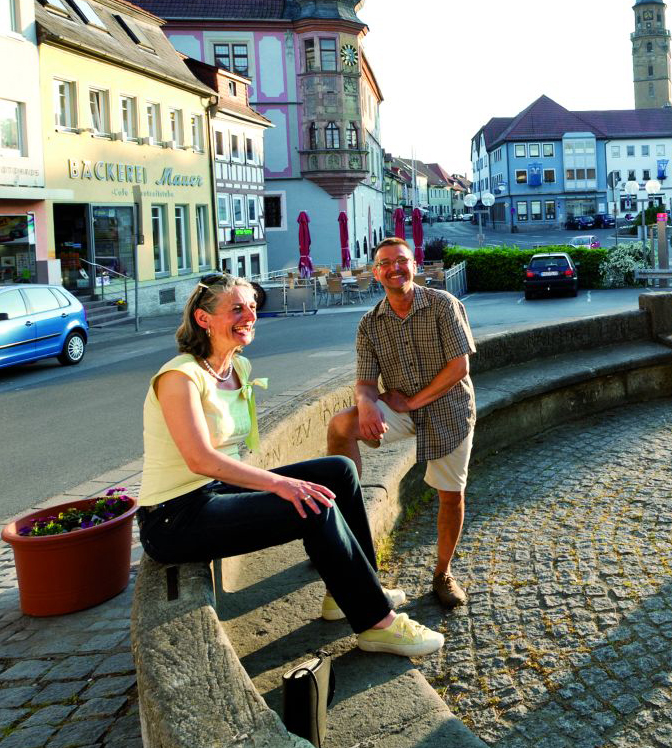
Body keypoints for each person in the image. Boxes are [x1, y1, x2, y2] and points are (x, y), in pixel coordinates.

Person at [137, 274, 443, 657]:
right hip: (175, 516)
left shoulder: (237, 369)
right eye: (236, 308)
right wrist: (280, 486)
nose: (249, 315)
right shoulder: (180, 376)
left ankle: (347, 590)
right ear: (203, 319)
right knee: (312, 506)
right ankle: (377, 624)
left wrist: (277, 484)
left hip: (216, 493)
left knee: (338, 471)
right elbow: (200, 459)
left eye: (252, 306)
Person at [327, 238, 476, 609]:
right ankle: (347, 526)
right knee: (340, 426)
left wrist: (411, 401)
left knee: (450, 494)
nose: (395, 267)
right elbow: (364, 382)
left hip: (449, 410)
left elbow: (460, 368)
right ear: (376, 273)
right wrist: (365, 404)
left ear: (414, 265)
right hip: (402, 409)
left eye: (402, 260)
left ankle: (443, 572)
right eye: (385, 263)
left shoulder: (443, 305)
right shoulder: (369, 323)